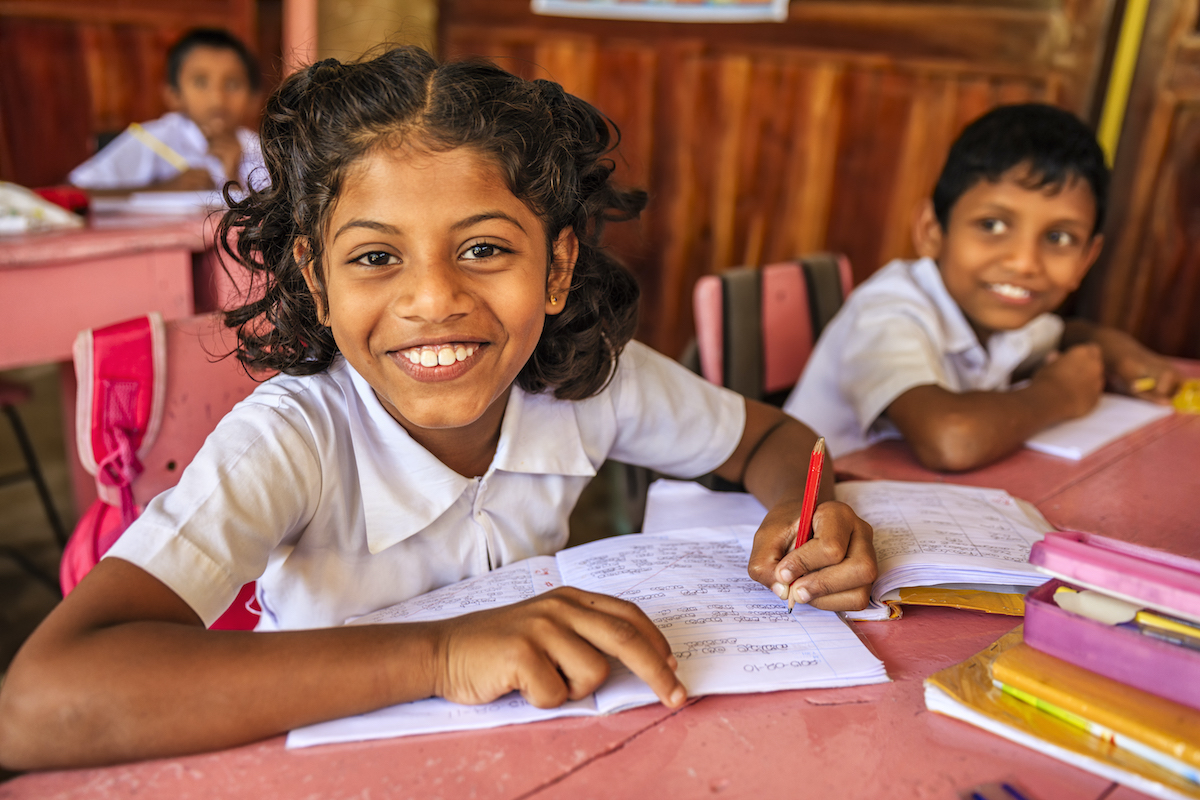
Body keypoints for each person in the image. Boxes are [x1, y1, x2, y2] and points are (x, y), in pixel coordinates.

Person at [0, 47, 876, 770]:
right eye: (376, 258)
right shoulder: (295, 439)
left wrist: (807, 514)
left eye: (485, 248)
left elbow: (770, 438)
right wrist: (445, 652)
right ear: (314, 273)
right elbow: (38, 704)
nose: (432, 300)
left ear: (558, 267)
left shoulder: (586, 381)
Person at [783, 103, 1182, 471]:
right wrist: (1058, 394)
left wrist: (1112, 347)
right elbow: (951, 438)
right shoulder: (890, 310)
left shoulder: (1012, 316)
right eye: (992, 225)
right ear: (932, 231)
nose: (1024, 263)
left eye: (1059, 238)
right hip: (800, 525)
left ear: (1086, 259)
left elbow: (1062, 333)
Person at [68, 28, 265, 192]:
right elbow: (74, 191)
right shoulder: (152, 139)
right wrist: (164, 188)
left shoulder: (259, 150)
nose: (217, 98)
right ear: (174, 95)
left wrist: (234, 179)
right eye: (200, 82)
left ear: (253, 99)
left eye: (232, 84)